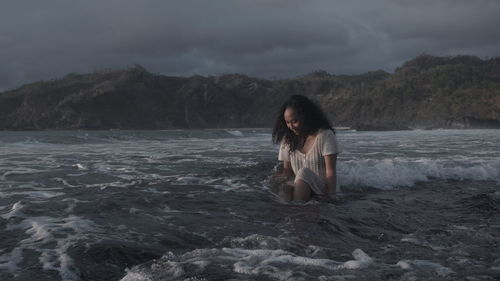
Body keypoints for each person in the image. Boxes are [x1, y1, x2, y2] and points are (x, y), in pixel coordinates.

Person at [272, 95, 340, 201]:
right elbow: (288, 171)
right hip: (301, 188)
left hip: (323, 190)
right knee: (285, 188)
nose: (291, 126)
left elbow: (330, 171)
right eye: (287, 122)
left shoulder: (325, 136)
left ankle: (299, 210)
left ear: (306, 116)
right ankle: (288, 215)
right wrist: (273, 181)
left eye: (294, 121)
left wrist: (332, 197)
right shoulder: (287, 141)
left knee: (303, 173)